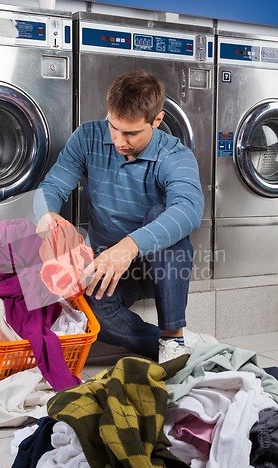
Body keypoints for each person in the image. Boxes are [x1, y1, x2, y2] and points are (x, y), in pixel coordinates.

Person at [34, 69, 204, 362]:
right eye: (114, 127)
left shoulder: (175, 155)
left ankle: (174, 336)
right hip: (106, 265)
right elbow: (52, 186)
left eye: (132, 133)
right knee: (92, 311)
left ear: (157, 121)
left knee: (161, 213)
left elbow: (188, 210)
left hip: (159, 268)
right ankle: (171, 350)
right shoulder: (88, 137)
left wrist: (128, 247)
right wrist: (47, 214)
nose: (119, 140)